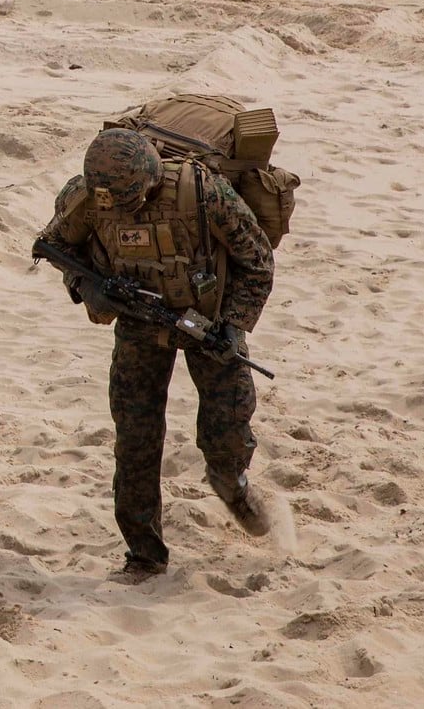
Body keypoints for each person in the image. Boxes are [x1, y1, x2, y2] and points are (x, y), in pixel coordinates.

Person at [33, 128, 277, 579]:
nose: (119, 208)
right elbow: (58, 247)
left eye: (129, 198)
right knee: (135, 440)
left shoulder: (201, 193)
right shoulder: (88, 197)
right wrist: (90, 289)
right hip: (139, 326)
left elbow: (257, 260)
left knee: (226, 432)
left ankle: (231, 483)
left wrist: (234, 325)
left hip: (210, 320)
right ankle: (144, 554)